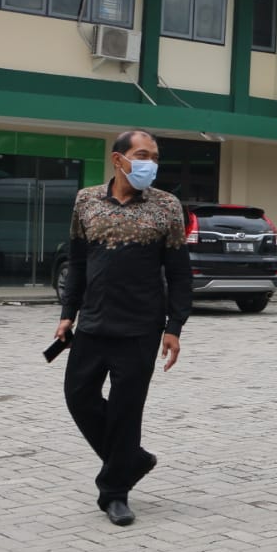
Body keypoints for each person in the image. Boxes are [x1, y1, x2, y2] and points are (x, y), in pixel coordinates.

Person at [56, 129, 191, 527]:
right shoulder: (86, 201)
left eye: (155, 156)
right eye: (143, 154)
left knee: (126, 411)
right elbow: (78, 262)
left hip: (140, 327)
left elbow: (180, 273)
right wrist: (68, 313)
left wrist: (175, 326)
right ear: (119, 160)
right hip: (94, 322)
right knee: (78, 396)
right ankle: (132, 460)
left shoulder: (167, 206)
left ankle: (115, 492)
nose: (151, 163)